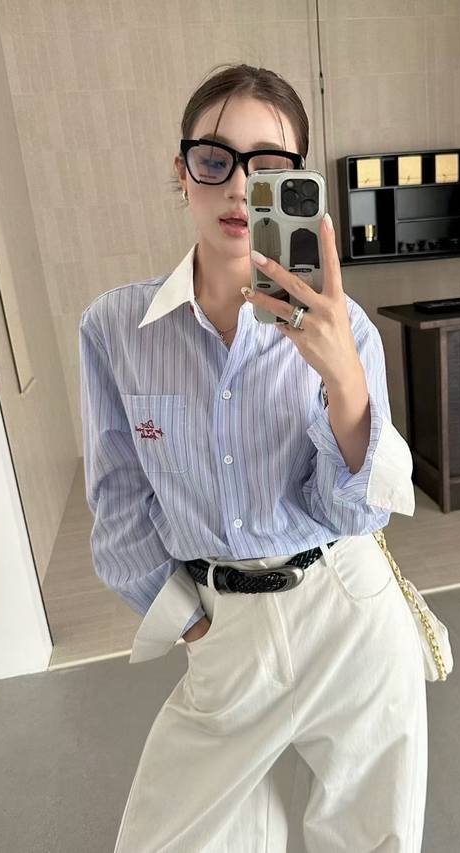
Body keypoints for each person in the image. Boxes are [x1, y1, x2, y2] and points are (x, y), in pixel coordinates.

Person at [79, 62, 427, 853]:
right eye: (216, 159)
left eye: (268, 165)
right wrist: (192, 624)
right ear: (182, 173)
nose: (239, 186)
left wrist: (343, 378)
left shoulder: (346, 326)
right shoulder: (116, 329)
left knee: (371, 840)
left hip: (347, 614)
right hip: (223, 631)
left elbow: (356, 511)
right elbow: (118, 502)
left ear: (297, 179)